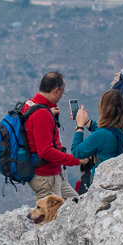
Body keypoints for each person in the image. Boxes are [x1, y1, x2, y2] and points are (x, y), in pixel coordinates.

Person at [22, 72, 79, 200]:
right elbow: (45, 151)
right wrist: (74, 160)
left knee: (76, 203)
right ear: (55, 91)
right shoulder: (42, 113)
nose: (61, 96)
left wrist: (50, 115)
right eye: (62, 93)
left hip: (54, 174)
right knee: (49, 218)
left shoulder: (29, 104)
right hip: (47, 176)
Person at [70, 89, 123, 186]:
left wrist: (80, 126)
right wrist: (87, 122)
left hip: (104, 184)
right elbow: (111, 131)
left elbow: (76, 152)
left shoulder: (101, 135)